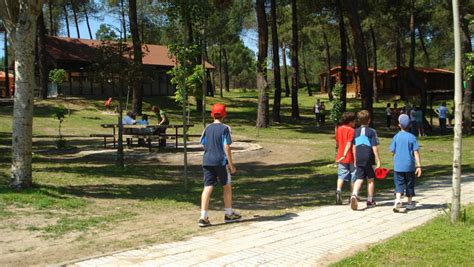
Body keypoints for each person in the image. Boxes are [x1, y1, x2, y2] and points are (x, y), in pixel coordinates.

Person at [198, 103, 241, 227]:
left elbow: (203, 143)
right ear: (224, 115)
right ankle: (228, 214)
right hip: (221, 162)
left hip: (207, 161)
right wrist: (231, 165)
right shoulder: (225, 128)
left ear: (212, 115)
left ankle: (203, 217)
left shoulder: (207, 128)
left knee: (207, 187)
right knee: (226, 186)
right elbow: (226, 146)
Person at [390, 114, 422, 212]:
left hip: (398, 166)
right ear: (410, 125)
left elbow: (392, 150)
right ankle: (409, 203)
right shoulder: (412, 137)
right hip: (409, 166)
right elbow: (416, 151)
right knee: (409, 184)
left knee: (399, 184)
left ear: (399, 125)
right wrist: (419, 166)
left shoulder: (396, 137)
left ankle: (398, 199)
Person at [350, 110, 381, 210]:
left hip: (358, 157)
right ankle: (370, 200)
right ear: (369, 120)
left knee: (359, 178)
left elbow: (354, 146)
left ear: (359, 120)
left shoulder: (355, 131)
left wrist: (355, 159)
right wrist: (378, 159)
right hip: (368, 158)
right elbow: (374, 147)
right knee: (370, 180)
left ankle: (354, 195)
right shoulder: (371, 131)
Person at [335, 112, 357, 205]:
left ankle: (338, 191)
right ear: (350, 122)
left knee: (341, 175)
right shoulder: (352, 130)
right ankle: (352, 195)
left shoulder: (338, 129)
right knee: (353, 175)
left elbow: (337, 142)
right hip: (351, 156)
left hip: (340, 156)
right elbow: (350, 143)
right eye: (354, 121)